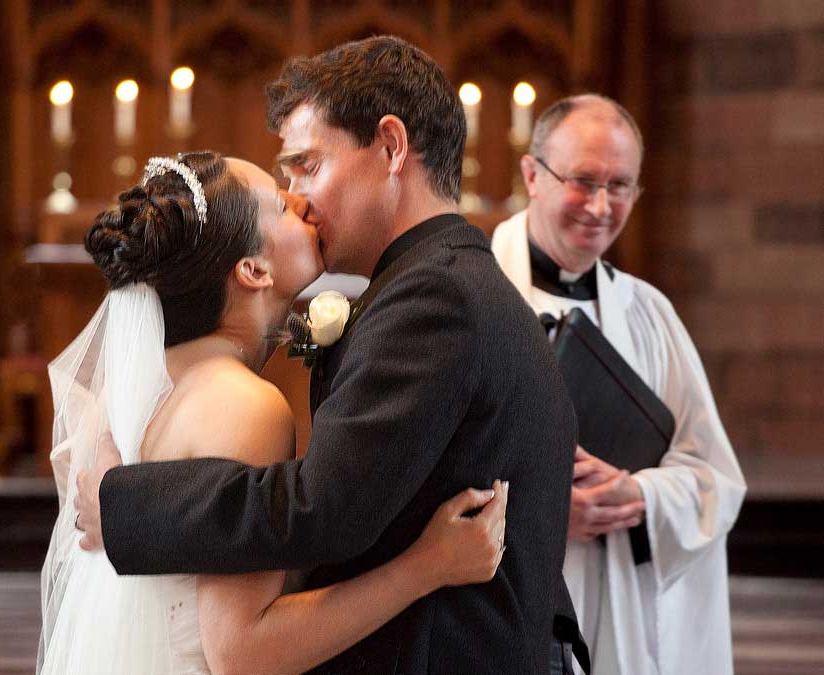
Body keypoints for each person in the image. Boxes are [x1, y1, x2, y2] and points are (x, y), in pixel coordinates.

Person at [75, 37, 582, 674]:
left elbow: (321, 509)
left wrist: (125, 507)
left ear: (391, 147)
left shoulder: (436, 296)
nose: (300, 200)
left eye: (308, 166)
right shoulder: (433, 283)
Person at [39, 150, 510, 674]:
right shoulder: (244, 405)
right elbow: (244, 654)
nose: (302, 202)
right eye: (281, 207)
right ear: (253, 269)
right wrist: (426, 567)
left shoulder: (133, 389)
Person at [491, 93, 747, 675]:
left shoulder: (648, 314)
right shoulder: (471, 296)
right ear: (532, 175)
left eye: (621, 185)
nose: (601, 206)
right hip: (504, 607)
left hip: (617, 607)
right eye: (583, 181)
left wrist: (638, 495)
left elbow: (715, 481)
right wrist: (544, 510)